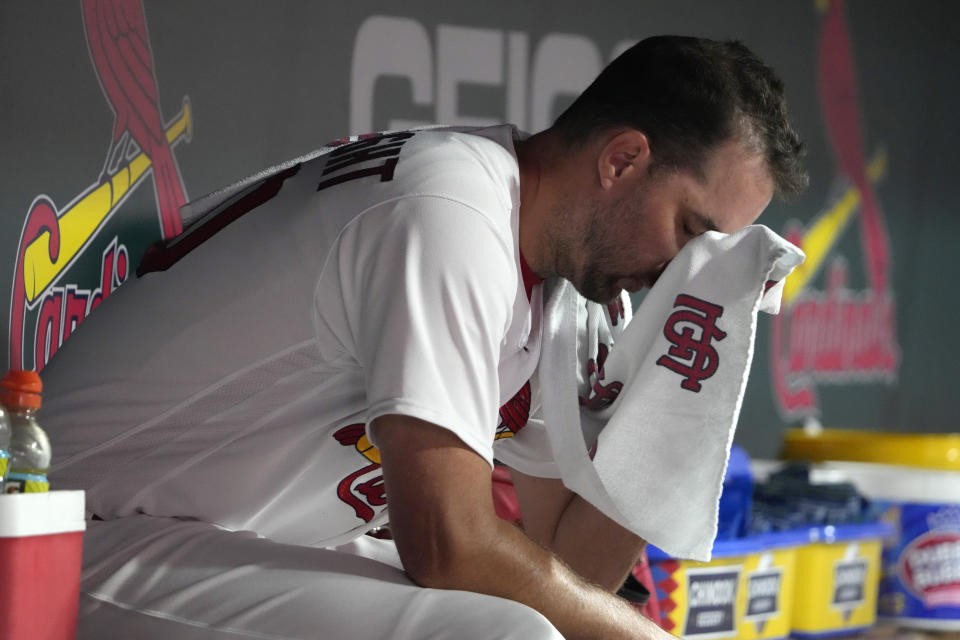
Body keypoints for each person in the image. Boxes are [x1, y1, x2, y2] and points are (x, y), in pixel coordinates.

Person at [40, 35, 806, 639]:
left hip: (216, 540)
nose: (683, 269)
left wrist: (685, 384)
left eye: (711, 259)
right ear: (623, 159)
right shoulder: (454, 212)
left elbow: (569, 568)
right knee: (504, 637)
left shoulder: (555, 273)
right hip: (63, 534)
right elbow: (449, 546)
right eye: (691, 232)